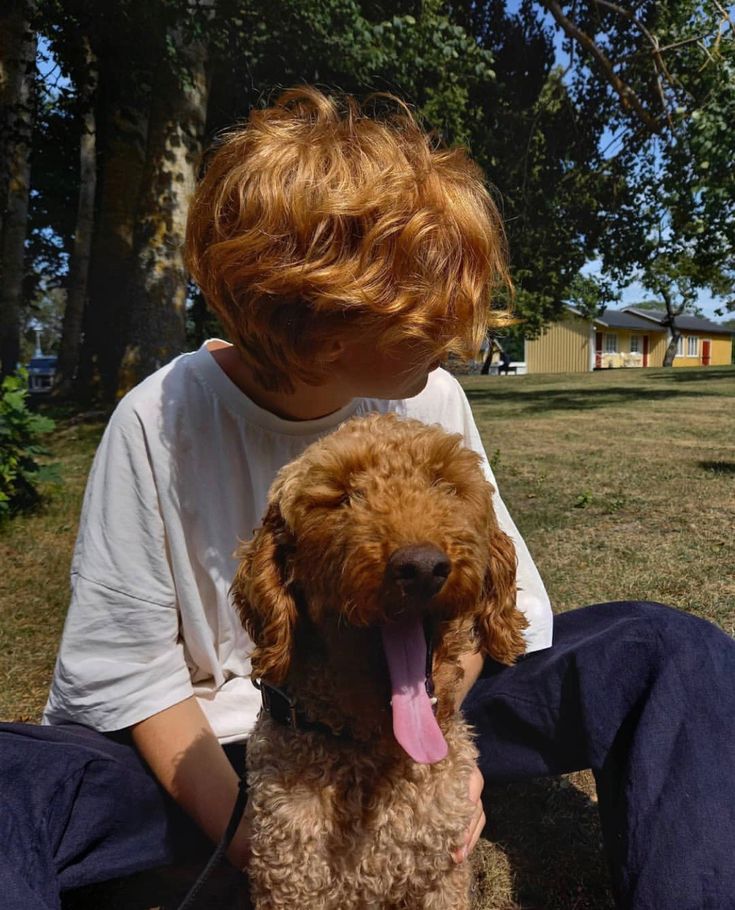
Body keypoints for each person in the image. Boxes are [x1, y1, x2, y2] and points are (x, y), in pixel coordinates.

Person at [1, 87, 734, 910]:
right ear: (320, 311)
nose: (464, 328)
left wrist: (439, 756)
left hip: (419, 708)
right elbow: (126, 676)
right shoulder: (158, 419)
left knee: (665, 647)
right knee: (13, 777)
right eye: (428, 298)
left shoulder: (429, 398)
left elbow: (499, 600)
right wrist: (255, 828)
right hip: (229, 745)